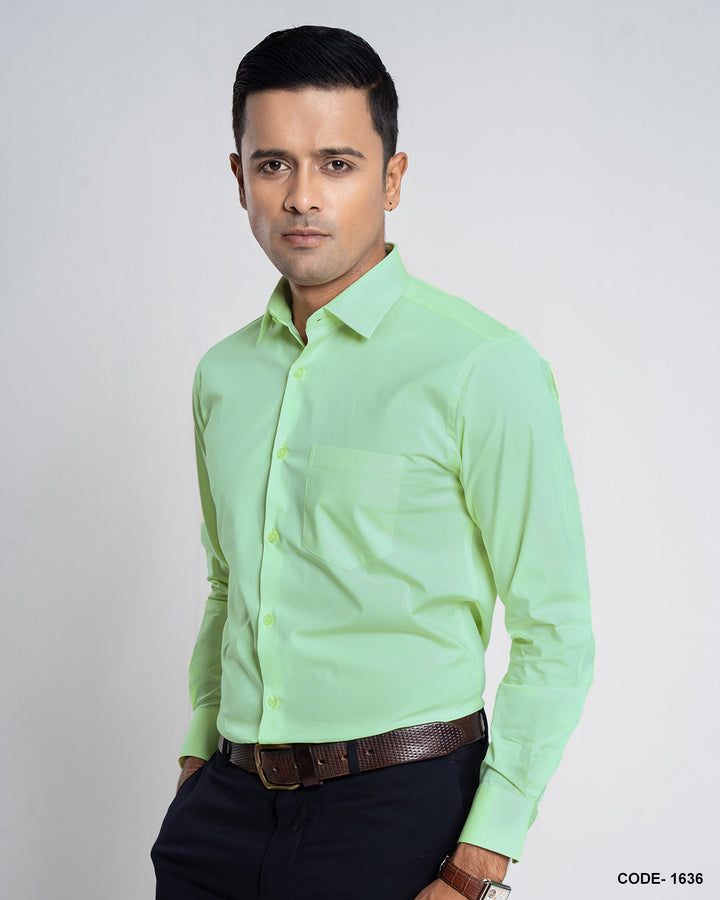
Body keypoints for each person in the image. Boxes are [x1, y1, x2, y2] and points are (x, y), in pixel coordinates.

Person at [151, 24, 594, 900]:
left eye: (338, 164)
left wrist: (480, 858)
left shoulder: (483, 368)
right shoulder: (223, 376)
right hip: (222, 815)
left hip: (404, 816)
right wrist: (199, 755)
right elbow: (228, 586)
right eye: (273, 164)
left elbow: (556, 628)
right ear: (238, 179)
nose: (301, 197)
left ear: (392, 178)